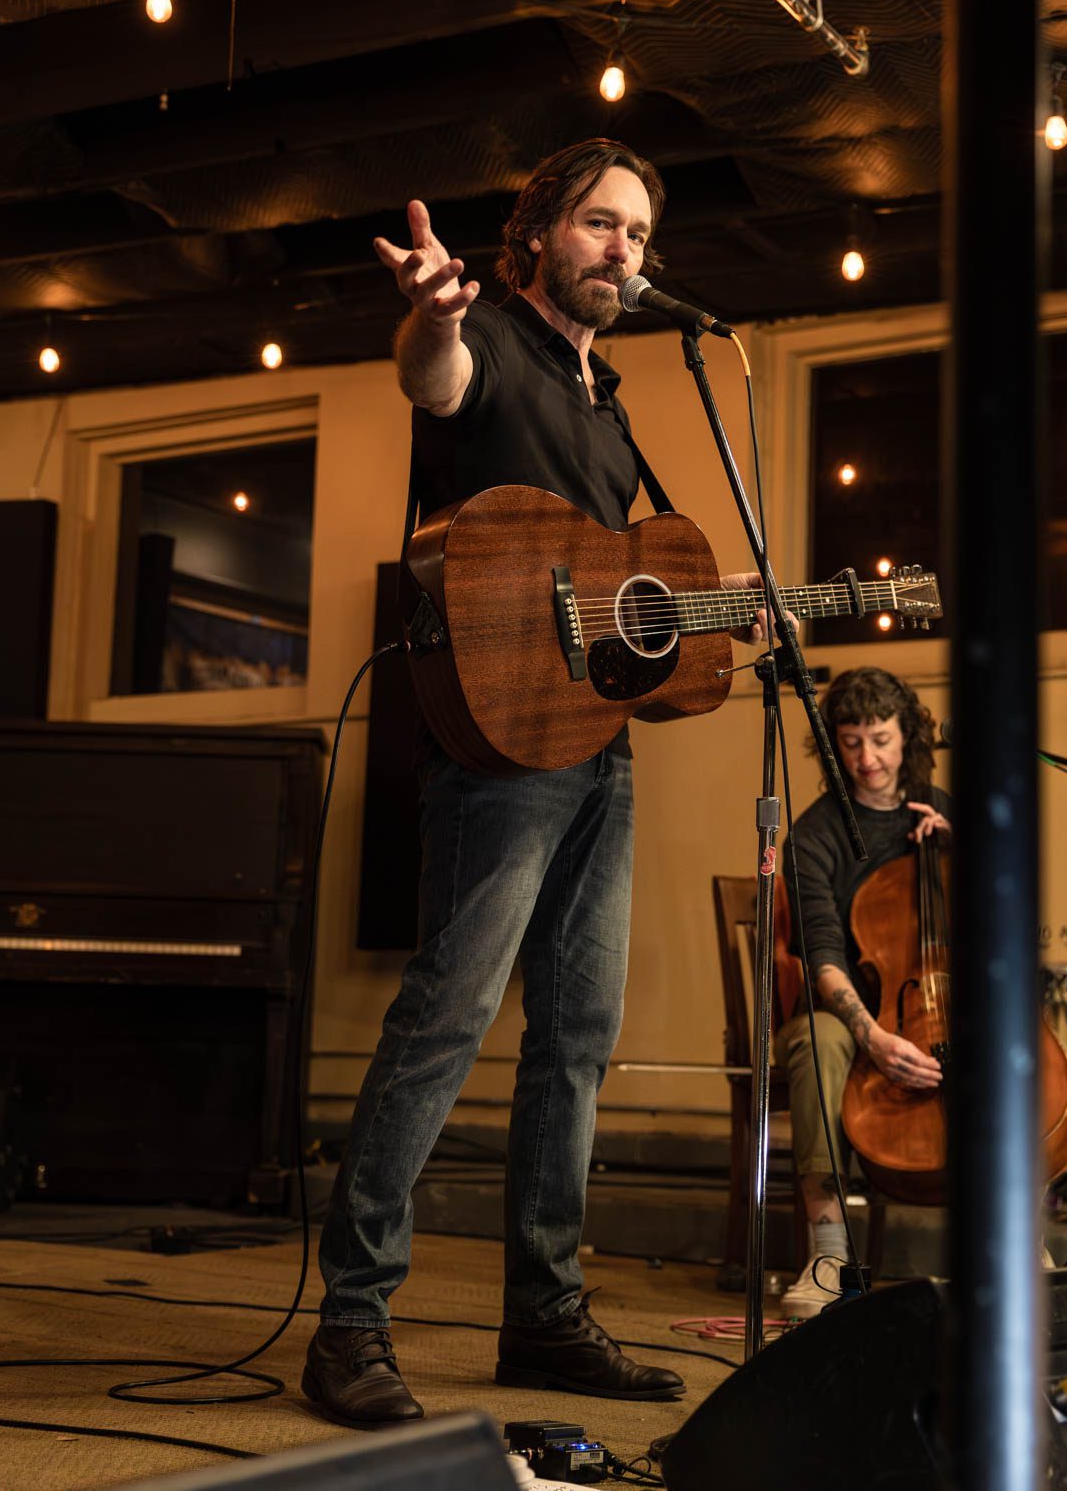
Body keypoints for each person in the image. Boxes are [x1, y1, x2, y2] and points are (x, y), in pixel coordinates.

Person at [304, 138, 783, 1429]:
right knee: (444, 1025)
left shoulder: (615, 399)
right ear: (540, 235)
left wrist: (732, 612)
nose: (625, 250)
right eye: (601, 225)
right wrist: (427, 316)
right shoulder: (493, 340)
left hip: (596, 750)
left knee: (576, 1041)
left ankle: (545, 1314)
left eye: (638, 233)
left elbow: (614, 595)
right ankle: (351, 1324)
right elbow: (437, 384)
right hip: (493, 746)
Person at [775, 666, 951, 1318]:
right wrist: (871, 1033)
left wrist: (968, 854)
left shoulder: (944, 812)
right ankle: (829, 1253)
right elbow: (822, 957)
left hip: (937, 1000)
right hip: (846, 1012)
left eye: (880, 738)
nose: (868, 759)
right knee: (822, 1037)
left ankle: (1024, 1236)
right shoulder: (815, 836)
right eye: (850, 742)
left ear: (908, 736)